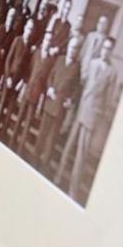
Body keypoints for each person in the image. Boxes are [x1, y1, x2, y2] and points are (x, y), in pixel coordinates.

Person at [59, 37, 121, 201]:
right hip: (81, 108)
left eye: (109, 49)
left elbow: (108, 99)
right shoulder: (92, 63)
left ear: (111, 51)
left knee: (82, 153)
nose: (105, 51)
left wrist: (99, 114)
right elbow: (82, 84)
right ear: (101, 48)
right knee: (69, 145)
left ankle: (73, 189)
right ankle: (57, 176)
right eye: (104, 48)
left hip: (93, 114)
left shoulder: (112, 73)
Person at [37, 35, 82, 175]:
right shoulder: (60, 59)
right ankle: (34, 159)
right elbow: (50, 76)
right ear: (68, 47)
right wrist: (49, 88)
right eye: (71, 46)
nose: (72, 50)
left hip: (60, 108)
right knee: (41, 136)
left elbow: (76, 89)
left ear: (77, 50)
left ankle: (44, 167)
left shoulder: (77, 68)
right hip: (50, 101)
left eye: (75, 48)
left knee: (52, 140)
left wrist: (71, 100)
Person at [9, 30, 56, 153]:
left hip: (37, 95)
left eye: (49, 41)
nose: (47, 43)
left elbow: (47, 82)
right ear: (43, 41)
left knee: (28, 123)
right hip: (27, 90)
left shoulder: (51, 61)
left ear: (51, 44)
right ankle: (11, 143)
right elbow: (28, 71)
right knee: (19, 119)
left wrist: (42, 100)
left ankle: (19, 149)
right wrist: (23, 84)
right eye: (46, 40)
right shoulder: (36, 53)